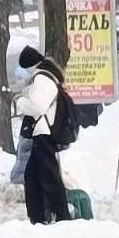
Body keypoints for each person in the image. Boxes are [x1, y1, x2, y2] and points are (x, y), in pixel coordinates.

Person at [15, 45, 72, 224]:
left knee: (50, 177)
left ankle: (61, 217)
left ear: (29, 66)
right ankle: (38, 217)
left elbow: (38, 107)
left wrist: (21, 102)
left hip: (44, 133)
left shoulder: (42, 79)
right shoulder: (47, 76)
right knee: (32, 176)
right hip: (43, 132)